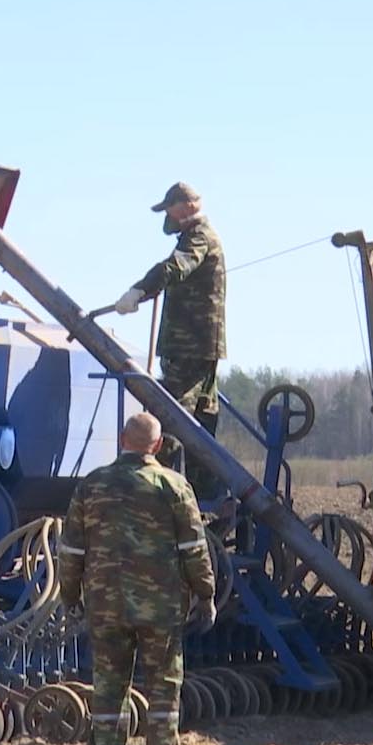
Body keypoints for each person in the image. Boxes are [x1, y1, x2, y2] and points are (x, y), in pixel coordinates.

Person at [57, 411, 217, 745]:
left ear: (120, 440)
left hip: (106, 605)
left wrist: (69, 594)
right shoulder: (173, 486)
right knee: (163, 684)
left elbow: (71, 549)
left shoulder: (92, 486)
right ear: (158, 446)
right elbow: (194, 547)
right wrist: (206, 593)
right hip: (160, 608)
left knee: (109, 687)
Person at [112, 182, 228, 504]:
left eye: (171, 209)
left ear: (188, 206)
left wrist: (137, 289)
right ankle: (207, 492)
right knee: (202, 419)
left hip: (189, 344)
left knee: (170, 416)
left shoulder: (199, 237)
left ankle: (161, 493)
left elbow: (175, 267)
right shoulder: (192, 236)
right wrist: (143, 294)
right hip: (198, 344)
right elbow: (172, 264)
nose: (168, 217)